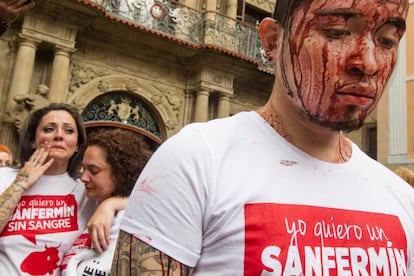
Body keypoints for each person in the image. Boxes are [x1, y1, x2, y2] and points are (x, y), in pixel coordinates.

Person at [111, 0, 414, 274]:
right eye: (336, 32)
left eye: (387, 40)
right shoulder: (194, 162)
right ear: (272, 41)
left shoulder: (401, 199)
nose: (369, 63)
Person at [0, 103, 123, 275]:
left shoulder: (87, 190)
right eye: (49, 129)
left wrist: (109, 205)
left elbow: (142, 199)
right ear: (32, 141)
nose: (59, 135)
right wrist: (20, 184)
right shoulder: (4, 177)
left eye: (68, 131)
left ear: (78, 146)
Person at [61, 127, 153, 275]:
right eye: (83, 169)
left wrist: (110, 205)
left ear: (121, 171)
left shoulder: (133, 221)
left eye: (94, 171)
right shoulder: (89, 199)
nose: (83, 178)